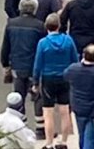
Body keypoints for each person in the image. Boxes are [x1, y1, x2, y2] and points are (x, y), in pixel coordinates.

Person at [0, 0, 47, 139]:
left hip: (17, 65)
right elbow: (43, 48)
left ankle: (21, 126)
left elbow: (5, 46)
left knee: (19, 95)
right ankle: (40, 128)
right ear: (35, 9)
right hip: (34, 66)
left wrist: (5, 64)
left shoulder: (11, 24)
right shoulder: (40, 26)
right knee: (38, 96)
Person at [32, 13, 78, 149]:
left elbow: (38, 64)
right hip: (64, 78)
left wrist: (35, 82)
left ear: (46, 26)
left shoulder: (43, 43)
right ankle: (63, 142)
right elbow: (74, 60)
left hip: (48, 79)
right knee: (65, 111)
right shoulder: (68, 40)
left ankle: (49, 143)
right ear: (59, 26)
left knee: (48, 112)